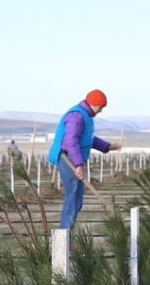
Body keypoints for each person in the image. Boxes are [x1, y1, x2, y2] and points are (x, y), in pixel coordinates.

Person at [48, 89, 121, 229]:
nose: (101, 111)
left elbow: (88, 139)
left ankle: (69, 236)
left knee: (77, 200)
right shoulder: (76, 116)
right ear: (94, 104)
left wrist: (108, 147)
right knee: (73, 198)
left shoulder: (85, 116)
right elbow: (70, 141)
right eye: (101, 107)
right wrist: (79, 165)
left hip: (74, 159)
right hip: (68, 159)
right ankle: (65, 239)